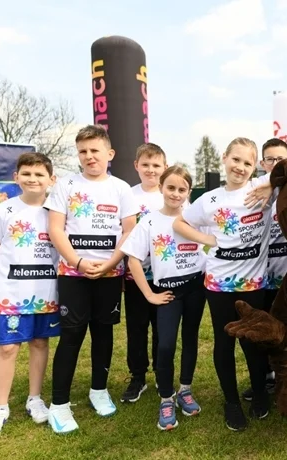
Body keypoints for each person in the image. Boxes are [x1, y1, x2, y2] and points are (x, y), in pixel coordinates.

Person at [45, 125, 140, 434]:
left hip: (110, 274)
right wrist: (79, 262)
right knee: (71, 336)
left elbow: (129, 231)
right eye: (83, 151)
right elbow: (56, 229)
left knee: (103, 333)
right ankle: (58, 405)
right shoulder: (67, 184)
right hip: (74, 274)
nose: (89, 157)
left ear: (109, 154)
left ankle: (98, 390)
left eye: (95, 151)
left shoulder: (122, 188)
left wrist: (112, 262)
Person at [174, 137, 273, 431]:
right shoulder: (210, 200)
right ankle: (231, 402)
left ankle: (258, 394)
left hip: (254, 285)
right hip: (218, 286)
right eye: (236, 160)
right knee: (225, 342)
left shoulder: (264, 190)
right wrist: (206, 240)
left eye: (247, 162)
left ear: (255, 166)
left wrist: (269, 183)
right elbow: (180, 223)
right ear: (224, 158)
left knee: (253, 344)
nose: (240, 167)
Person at [121, 165, 217, 431]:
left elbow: (220, 235)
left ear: (188, 191)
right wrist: (149, 294)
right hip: (167, 292)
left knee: (190, 339)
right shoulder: (150, 221)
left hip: (196, 289)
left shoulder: (195, 218)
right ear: (162, 187)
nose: (176, 194)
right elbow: (133, 259)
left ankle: (185, 389)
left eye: (182, 189)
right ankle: (166, 397)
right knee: (165, 346)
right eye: (171, 187)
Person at [0, 152, 59, 440]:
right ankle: (0, 408)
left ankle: (34, 399)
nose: (33, 179)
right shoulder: (3, 211)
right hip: (12, 294)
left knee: (39, 342)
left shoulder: (56, 211)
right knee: (8, 348)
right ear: (16, 177)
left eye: (39, 174)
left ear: (52, 179)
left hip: (46, 292)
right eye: (27, 173)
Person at [241, 138, 287, 402]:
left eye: (281, 159)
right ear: (261, 163)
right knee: (264, 331)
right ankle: (266, 377)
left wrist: (274, 180)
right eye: (270, 159)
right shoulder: (253, 187)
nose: (275, 164)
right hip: (263, 278)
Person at [122, 143, 167, 403]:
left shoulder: (171, 193)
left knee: (163, 329)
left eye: (156, 165)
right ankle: (138, 377)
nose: (151, 170)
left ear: (164, 166)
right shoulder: (127, 196)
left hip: (166, 276)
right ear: (136, 166)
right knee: (137, 329)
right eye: (146, 165)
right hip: (136, 276)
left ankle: (163, 374)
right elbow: (123, 235)